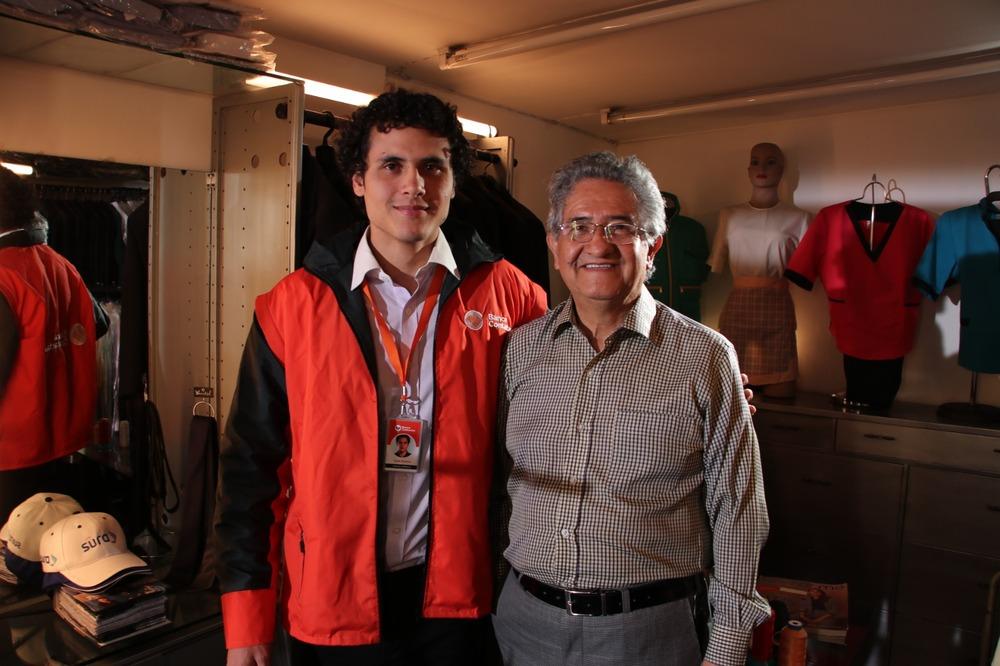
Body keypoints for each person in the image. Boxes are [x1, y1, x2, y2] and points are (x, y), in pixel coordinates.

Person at [213, 89, 548, 666]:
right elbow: (251, 471)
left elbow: (572, 404)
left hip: (463, 605)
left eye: (432, 166)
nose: (413, 184)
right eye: (391, 164)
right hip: (331, 601)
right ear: (359, 181)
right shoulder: (292, 305)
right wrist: (246, 617)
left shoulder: (513, 296)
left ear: (451, 181)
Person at [492, 152, 770, 666]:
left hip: (651, 634)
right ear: (555, 244)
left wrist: (728, 648)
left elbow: (739, 507)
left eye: (620, 227)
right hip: (523, 625)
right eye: (578, 226)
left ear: (653, 245)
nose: (596, 244)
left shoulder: (705, 356)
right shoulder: (519, 350)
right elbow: (498, 486)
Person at [0, 166, 108, 519]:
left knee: (11, 564)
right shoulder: (58, 263)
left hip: (9, 455)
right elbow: (99, 324)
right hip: (59, 445)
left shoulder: (3, 275)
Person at [709, 142, 810, 398]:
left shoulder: (799, 218)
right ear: (748, 169)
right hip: (738, 310)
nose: (762, 168)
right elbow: (716, 262)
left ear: (782, 170)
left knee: (781, 393)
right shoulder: (729, 215)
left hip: (777, 308)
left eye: (771, 161)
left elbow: (808, 270)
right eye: (755, 161)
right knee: (735, 394)